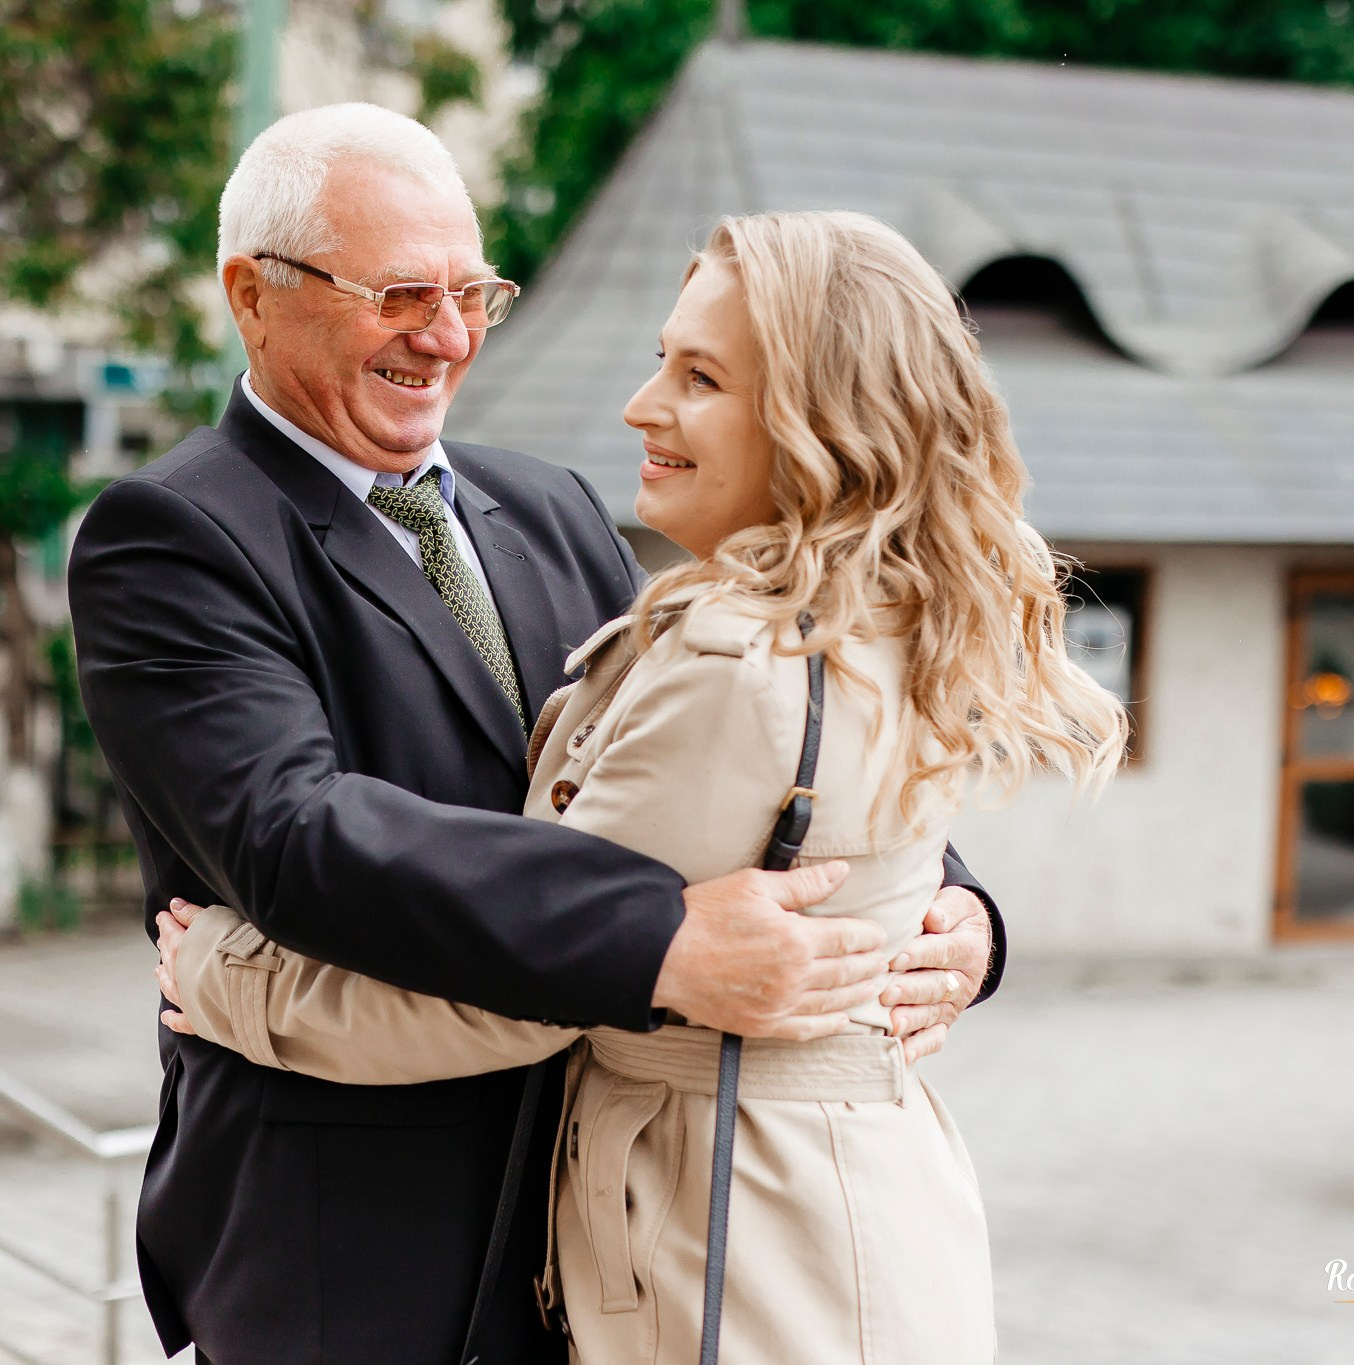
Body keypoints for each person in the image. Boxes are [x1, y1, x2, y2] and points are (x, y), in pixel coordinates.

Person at [69, 105, 1006, 1365]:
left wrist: (944, 909)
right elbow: (294, 840)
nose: (446, 336)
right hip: (346, 1248)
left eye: (471, 292)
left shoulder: (553, 506)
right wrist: (660, 942)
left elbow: (717, 764)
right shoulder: (172, 535)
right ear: (253, 294)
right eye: (400, 294)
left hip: (594, 1238)